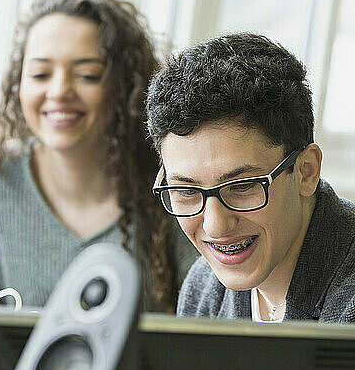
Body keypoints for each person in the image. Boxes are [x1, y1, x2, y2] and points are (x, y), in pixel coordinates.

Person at [0, 0, 197, 311]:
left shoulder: (173, 184)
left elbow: (206, 318)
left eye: (87, 75)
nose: (58, 91)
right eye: (41, 73)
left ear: (125, 86)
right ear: (19, 83)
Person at [146, 33, 355, 322]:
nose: (216, 227)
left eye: (243, 186)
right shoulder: (204, 288)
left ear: (306, 171)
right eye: (186, 191)